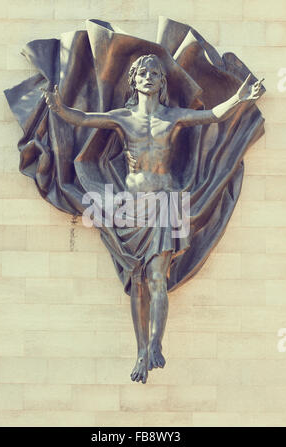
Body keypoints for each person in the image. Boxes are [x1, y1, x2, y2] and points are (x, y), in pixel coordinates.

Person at [43, 54, 263, 384]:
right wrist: (58, 107)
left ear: (161, 82)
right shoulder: (122, 117)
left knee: (157, 276)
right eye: (142, 72)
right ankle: (140, 351)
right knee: (137, 279)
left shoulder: (173, 118)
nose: (148, 77)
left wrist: (240, 98)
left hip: (165, 201)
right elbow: (82, 118)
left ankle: (156, 344)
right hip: (132, 205)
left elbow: (212, 115)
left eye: (154, 73)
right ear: (134, 80)